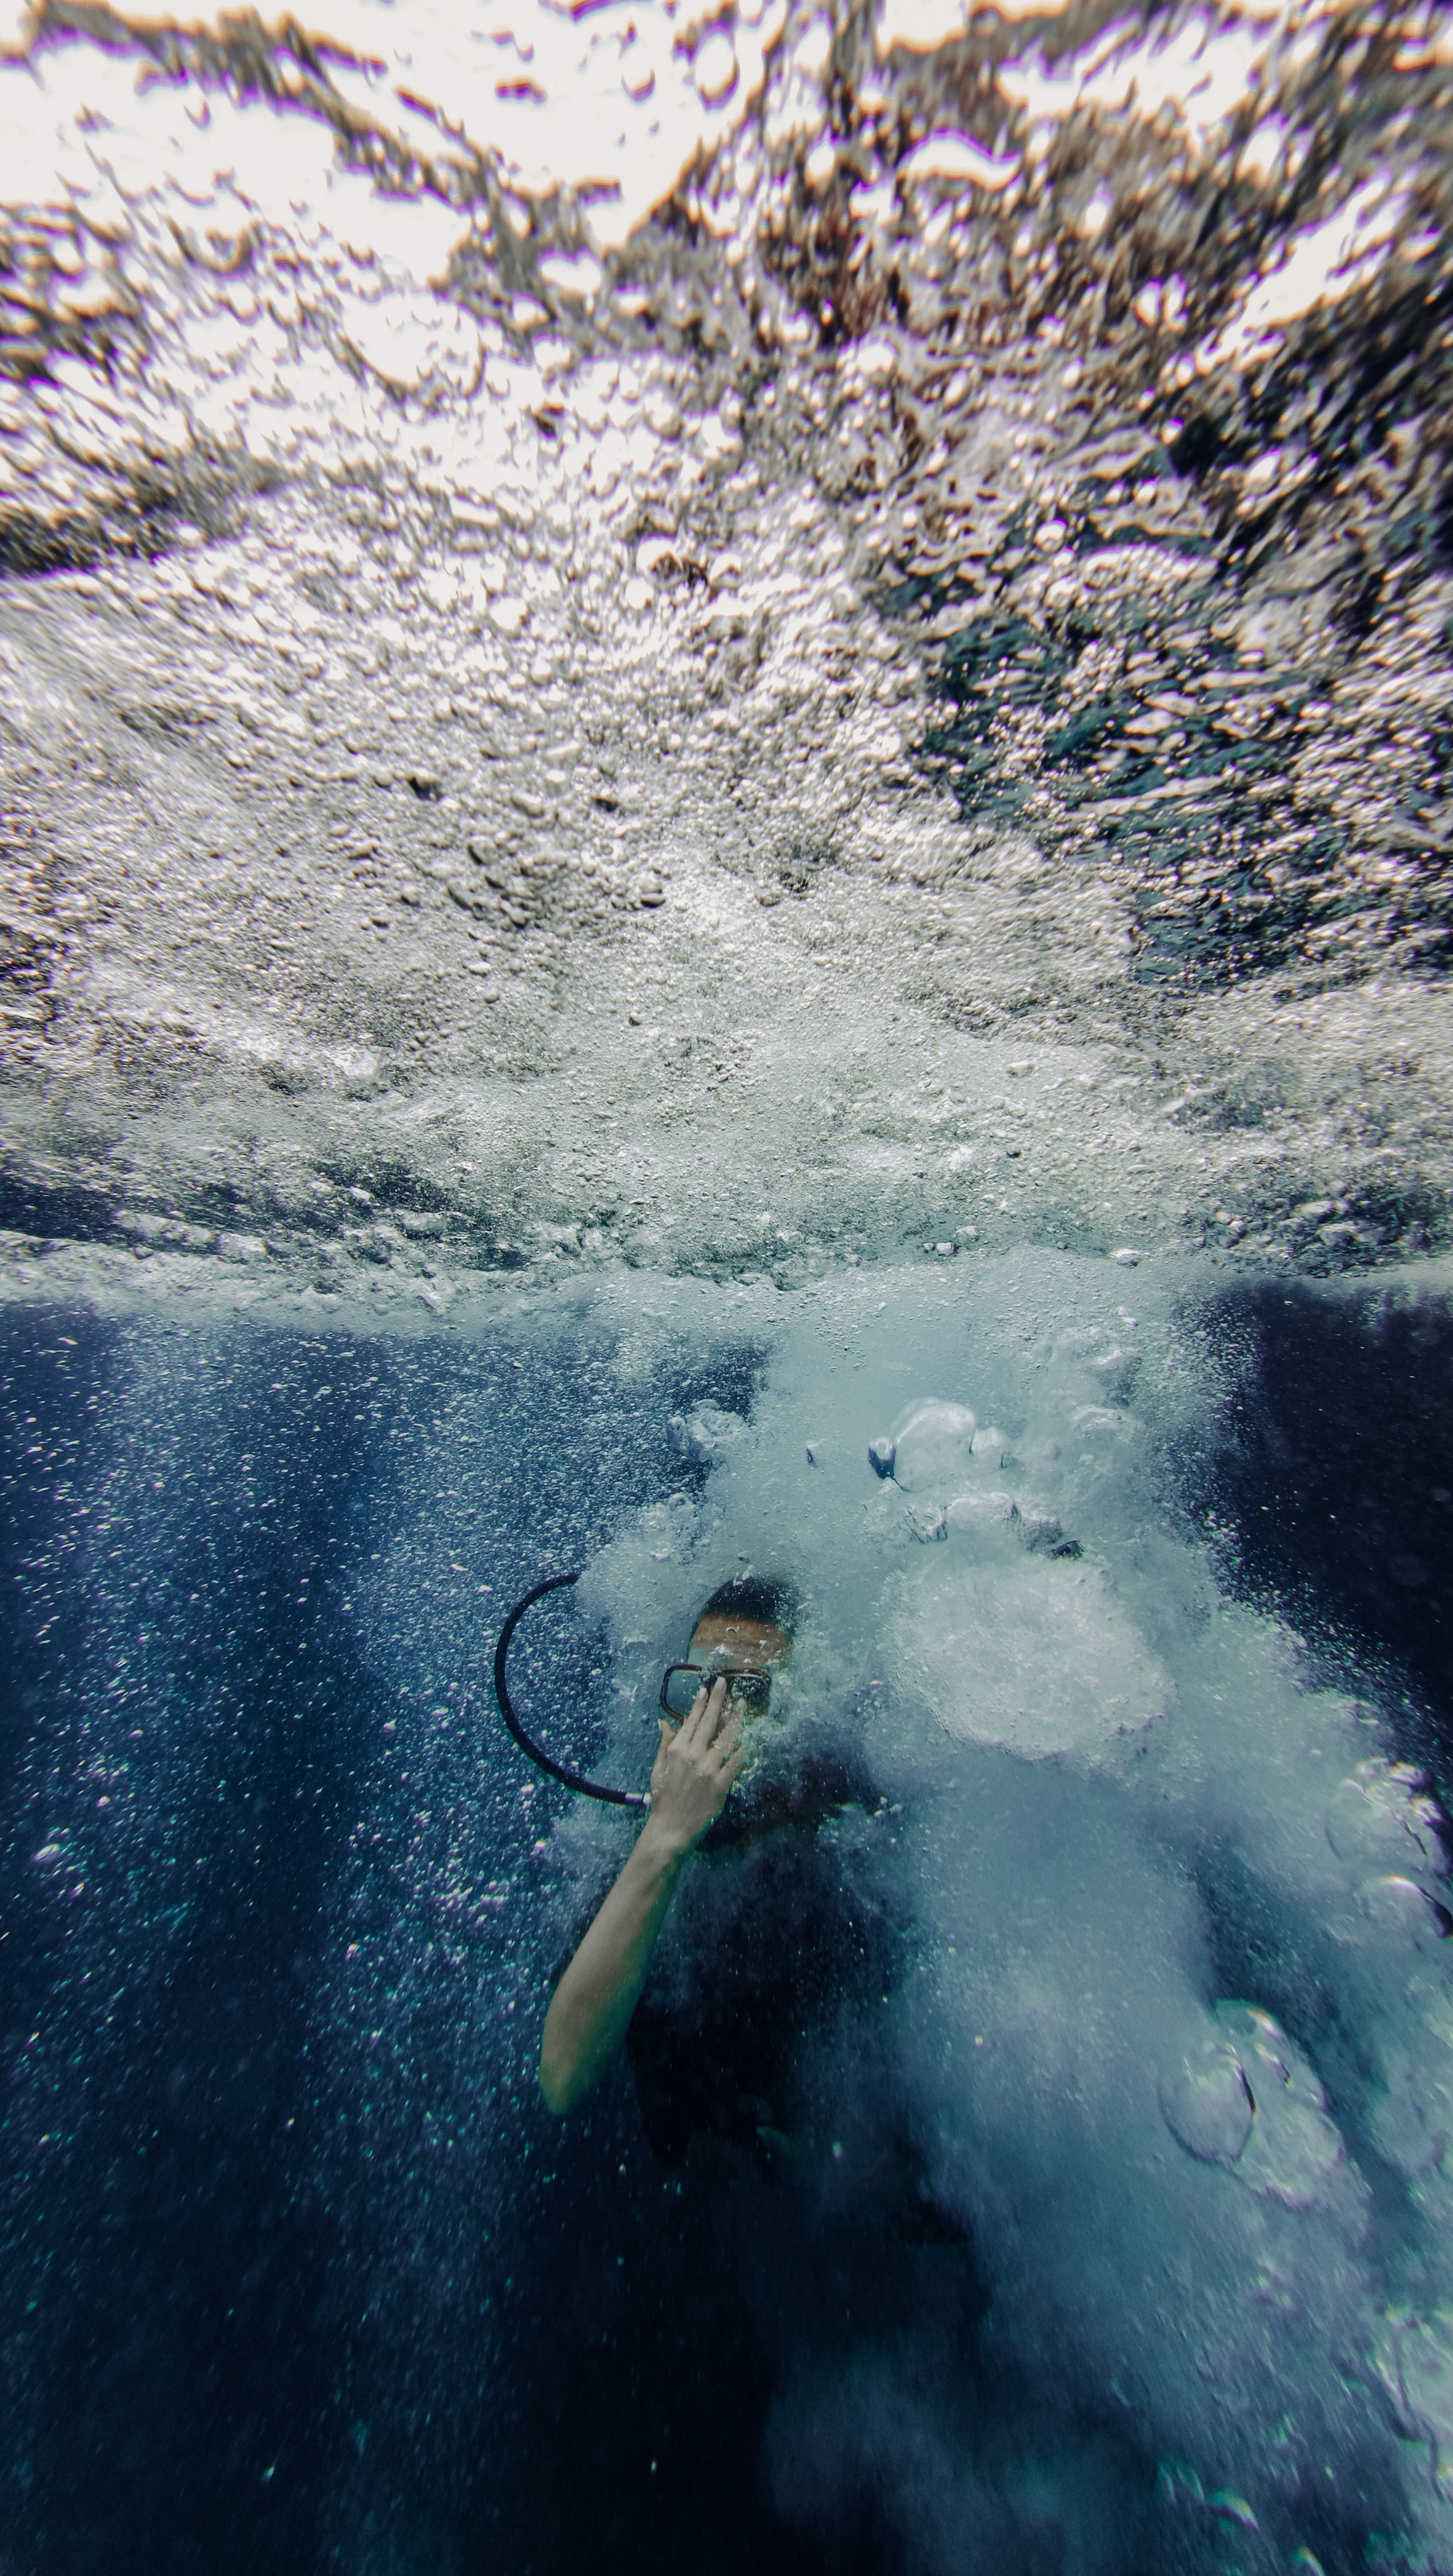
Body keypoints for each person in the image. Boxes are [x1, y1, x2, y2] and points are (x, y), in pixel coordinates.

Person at [540, 1576, 893, 2156]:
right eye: (701, 1688)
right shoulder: (646, 1825)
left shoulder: (843, 1819)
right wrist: (667, 1836)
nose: (718, 1719)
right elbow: (562, 2078)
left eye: (752, 1693)